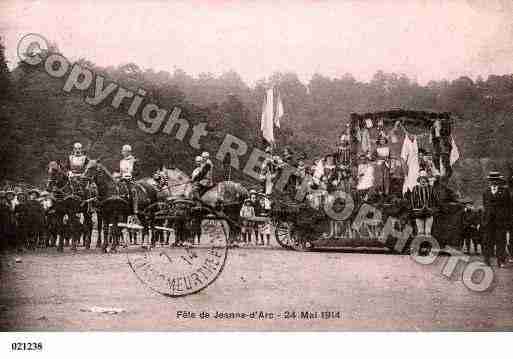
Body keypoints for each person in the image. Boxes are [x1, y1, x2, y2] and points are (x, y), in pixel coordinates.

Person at [482, 171, 511, 267]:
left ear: (499, 181)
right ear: (489, 181)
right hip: (489, 221)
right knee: (487, 241)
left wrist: (507, 221)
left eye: (495, 181)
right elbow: (485, 207)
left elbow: (509, 207)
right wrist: (484, 220)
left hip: (500, 221)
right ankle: (486, 260)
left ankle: (501, 261)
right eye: (491, 180)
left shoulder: (505, 192)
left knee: (501, 241)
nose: (493, 182)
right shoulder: (486, 192)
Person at [410, 170, 437, 236]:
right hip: (419, 212)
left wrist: (432, 209)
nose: (423, 180)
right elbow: (413, 200)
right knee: (420, 231)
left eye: (424, 178)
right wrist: (416, 209)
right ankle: (421, 245)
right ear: (419, 180)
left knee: (428, 231)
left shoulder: (431, 188)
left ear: (426, 180)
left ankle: (428, 245)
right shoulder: (415, 188)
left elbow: (435, 199)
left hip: (429, 212)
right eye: (421, 179)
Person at [119, 144, 140, 213]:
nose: (123, 153)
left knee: (133, 191)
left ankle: (135, 209)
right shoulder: (121, 161)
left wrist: (130, 175)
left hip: (131, 180)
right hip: (122, 180)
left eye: (124, 151)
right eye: (123, 151)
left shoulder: (134, 160)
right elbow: (120, 172)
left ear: (129, 152)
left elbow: (137, 172)